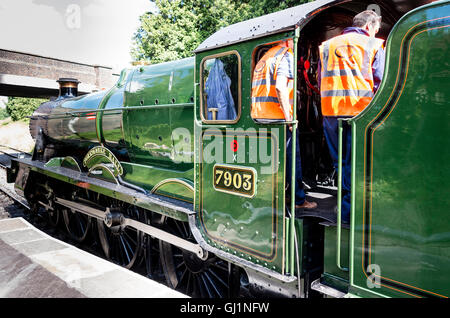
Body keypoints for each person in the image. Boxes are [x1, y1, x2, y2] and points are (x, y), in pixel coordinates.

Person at [318, 10, 385, 223]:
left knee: (340, 164)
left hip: (330, 112)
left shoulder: (327, 46)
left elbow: (321, 79)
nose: (376, 33)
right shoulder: (373, 44)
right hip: (360, 114)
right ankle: (350, 213)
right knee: (358, 164)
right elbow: (380, 81)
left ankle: (344, 206)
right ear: (369, 26)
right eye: (376, 29)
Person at [251, 39, 317, 210]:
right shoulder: (285, 55)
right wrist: (289, 118)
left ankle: (284, 196)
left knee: (276, 164)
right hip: (278, 117)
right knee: (292, 161)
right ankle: (299, 200)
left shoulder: (265, 57)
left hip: (261, 117)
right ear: (289, 40)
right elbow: (280, 87)